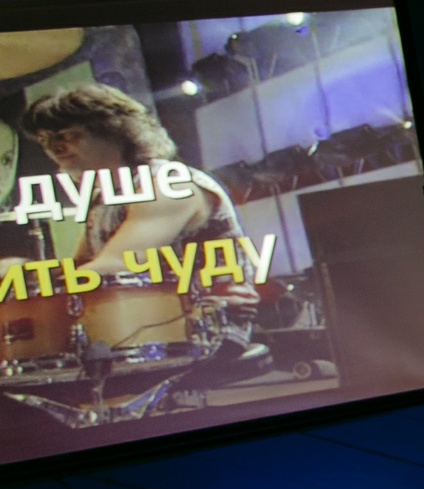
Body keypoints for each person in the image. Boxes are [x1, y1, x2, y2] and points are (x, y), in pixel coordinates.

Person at [14, 83, 259, 345]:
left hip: (207, 335)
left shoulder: (168, 184)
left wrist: (24, 280)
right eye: (45, 140)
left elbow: (116, 266)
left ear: (114, 130)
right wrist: (23, 270)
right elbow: (84, 266)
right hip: (148, 329)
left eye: (67, 135)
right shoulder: (105, 196)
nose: (55, 148)